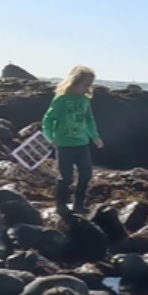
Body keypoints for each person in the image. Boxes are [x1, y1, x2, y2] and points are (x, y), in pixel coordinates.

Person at [41, 65, 103, 215]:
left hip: (82, 144)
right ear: (74, 82)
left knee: (86, 174)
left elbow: (89, 120)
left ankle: (78, 204)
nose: (88, 88)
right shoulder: (61, 99)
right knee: (65, 177)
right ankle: (61, 204)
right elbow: (48, 119)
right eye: (85, 85)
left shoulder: (84, 100)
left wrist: (95, 137)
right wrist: (50, 137)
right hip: (64, 145)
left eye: (90, 85)